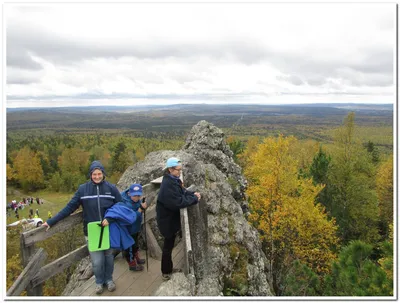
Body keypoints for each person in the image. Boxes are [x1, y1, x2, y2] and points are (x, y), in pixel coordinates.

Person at [42, 160, 122, 295]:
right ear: (90, 174)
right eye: (94, 174)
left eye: (99, 174)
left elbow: (120, 206)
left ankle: (109, 280)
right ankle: (98, 282)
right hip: (91, 232)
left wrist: (111, 218)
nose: (97, 176)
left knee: (109, 258)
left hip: (108, 229)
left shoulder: (111, 188)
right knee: (97, 261)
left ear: (103, 174)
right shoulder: (83, 190)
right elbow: (69, 208)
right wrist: (51, 221)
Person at [156, 157, 201, 280]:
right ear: (170, 169)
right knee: (167, 247)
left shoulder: (173, 180)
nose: (180, 172)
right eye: (177, 170)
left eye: (180, 170)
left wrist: (193, 195)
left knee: (169, 245)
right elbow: (177, 202)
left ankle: (168, 269)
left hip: (169, 219)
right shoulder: (168, 184)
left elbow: (182, 192)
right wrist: (194, 199)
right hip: (167, 221)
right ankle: (166, 272)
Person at [120, 183, 147, 271]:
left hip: (135, 227)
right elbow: (129, 217)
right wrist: (139, 211)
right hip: (128, 228)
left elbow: (138, 209)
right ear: (129, 194)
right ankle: (132, 264)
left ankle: (136, 258)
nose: (137, 198)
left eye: (139, 196)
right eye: (134, 196)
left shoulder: (137, 200)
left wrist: (142, 207)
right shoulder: (124, 202)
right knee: (129, 246)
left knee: (135, 244)